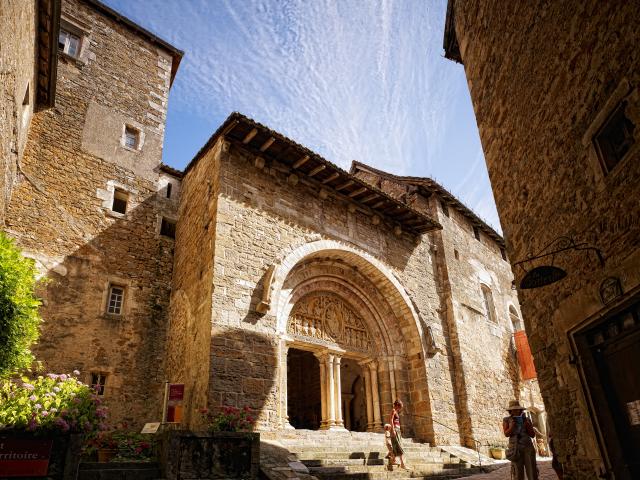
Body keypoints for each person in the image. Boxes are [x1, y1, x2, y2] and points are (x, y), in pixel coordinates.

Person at [503, 400, 538, 480]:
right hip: (515, 448)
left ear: (520, 410)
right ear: (510, 411)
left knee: (532, 471)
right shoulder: (506, 420)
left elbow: (532, 435)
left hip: (528, 447)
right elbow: (506, 434)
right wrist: (511, 426)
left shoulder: (527, 419)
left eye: (517, 409)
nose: (516, 411)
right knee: (518, 473)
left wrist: (527, 425)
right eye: (514, 410)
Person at [389, 399, 408, 470]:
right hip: (395, 430)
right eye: (400, 406)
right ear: (397, 405)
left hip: (398, 430)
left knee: (397, 446)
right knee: (399, 446)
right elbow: (391, 420)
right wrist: (393, 430)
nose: (400, 408)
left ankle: (393, 460)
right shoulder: (393, 410)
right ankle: (402, 464)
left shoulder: (396, 411)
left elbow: (396, 421)